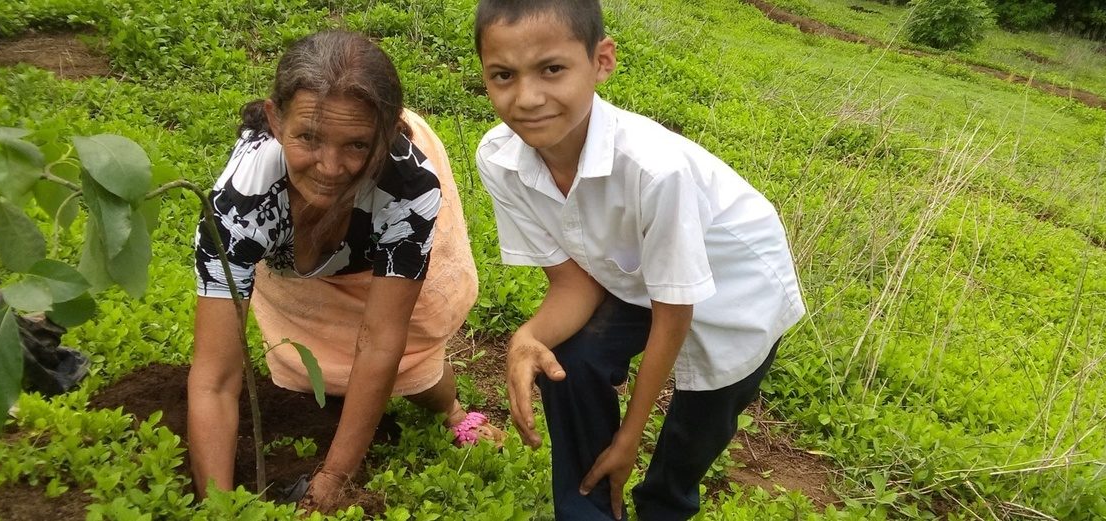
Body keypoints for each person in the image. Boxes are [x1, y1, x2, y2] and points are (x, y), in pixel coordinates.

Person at [472, 1, 806, 519]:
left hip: (738, 294)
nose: (528, 98)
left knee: (689, 445)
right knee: (569, 361)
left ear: (601, 61)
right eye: (503, 75)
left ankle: (663, 506)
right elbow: (573, 286)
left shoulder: (655, 171)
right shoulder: (500, 159)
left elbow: (674, 311)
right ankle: (587, 510)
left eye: (552, 69)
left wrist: (629, 438)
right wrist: (527, 338)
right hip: (633, 278)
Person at [189, 29, 503, 512]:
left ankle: (451, 410)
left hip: (378, 223)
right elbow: (214, 378)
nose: (330, 167)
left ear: (385, 133)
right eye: (308, 138)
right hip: (297, 255)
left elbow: (381, 340)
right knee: (308, 361)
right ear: (275, 120)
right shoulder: (239, 206)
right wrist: (220, 506)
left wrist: (333, 480)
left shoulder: (410, 186)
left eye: (356, 145)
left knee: (415, 359)